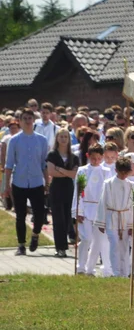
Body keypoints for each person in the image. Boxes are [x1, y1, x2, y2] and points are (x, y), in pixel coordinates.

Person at [4, 109, 49, 255]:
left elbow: (44, 163)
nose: (28, 121)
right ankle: (21, 244)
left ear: (33, 120)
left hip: (36, 182)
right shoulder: (14, 140)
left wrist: (47, 182)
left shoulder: (42, 140)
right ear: (20, 121)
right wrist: (6, 186)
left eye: (30, 118)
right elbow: (9, 164)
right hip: (19, 182)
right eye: (25, 118)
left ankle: (35, 235)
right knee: (20, 215)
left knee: (40, 213)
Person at [94, 156, 134, 278]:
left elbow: (133, 206)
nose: (123, 175)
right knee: (114, 244)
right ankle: (116, 271)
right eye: (121, 172)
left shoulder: (132, 185)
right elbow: (102, 202)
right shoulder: (108, 184)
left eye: (126, 172)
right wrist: (101, 222)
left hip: (125, 217)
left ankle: (124, 272)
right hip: (112, 217)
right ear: (116, 170)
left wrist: (133, 224)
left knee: (124, 245)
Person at [73, 143, 109, 275]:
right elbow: (78, 191)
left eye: (99, 158)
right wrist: (78, 210)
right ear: (88, 156)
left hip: (99, 210)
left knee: (97, 241)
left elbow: (107, 193)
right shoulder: (82, 170)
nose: (96, 161)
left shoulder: (106, 172)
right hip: (86, 207)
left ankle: (90, 268)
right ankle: (80, 267)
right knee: (86, 238)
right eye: (93, 158)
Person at [46, 128, 78, 258]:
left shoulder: (74, 157)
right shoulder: (52, 155)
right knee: (58, 219)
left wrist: (60, 169)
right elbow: (51, 172)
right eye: (61, 137)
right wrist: (66, 172)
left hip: (69, 190)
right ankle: (60, 247)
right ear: (57, 138)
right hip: (56, 190)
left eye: (66, 137)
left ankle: (64, 244)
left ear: (69, 139)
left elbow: (74, 174)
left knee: (67, 219)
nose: (64, 139)